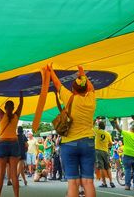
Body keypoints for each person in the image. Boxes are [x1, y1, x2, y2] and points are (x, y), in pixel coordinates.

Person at [48, 64, 96, 197]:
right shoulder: (91, 99)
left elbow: (57, 84)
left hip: (69, 143)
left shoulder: (69, 97)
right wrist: (82, 74)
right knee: (88, 182)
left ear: (73, 89)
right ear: (86, 88)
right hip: (88, 142)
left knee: (73, 182)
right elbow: (90, 87)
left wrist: (51, 70)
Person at [0, 90, 23, 197]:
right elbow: (21, 104)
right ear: (13, 108)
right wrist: (21, 93)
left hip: (3, 144)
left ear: (5, 108)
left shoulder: (1, 115)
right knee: (14, 175)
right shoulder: (16, 116)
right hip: (14, 144)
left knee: (0, 174)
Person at [112, 119, 134, 191]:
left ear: (130, 128)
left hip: (127, 155)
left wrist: (115, 122)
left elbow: (118, 129)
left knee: (127, 170)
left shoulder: (127, 133)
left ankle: (127, 185)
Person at [93, 120, 115, 188]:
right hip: (105, 151)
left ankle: (104, 183)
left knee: (101, 167)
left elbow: (91, 126)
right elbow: (111, 143)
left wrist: (95, 120)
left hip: (98, 151)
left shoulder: (97, 131)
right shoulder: (108, 134)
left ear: (99, 127)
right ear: (105, 127)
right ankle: (111, 182)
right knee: (108, 167)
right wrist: (107, 146)